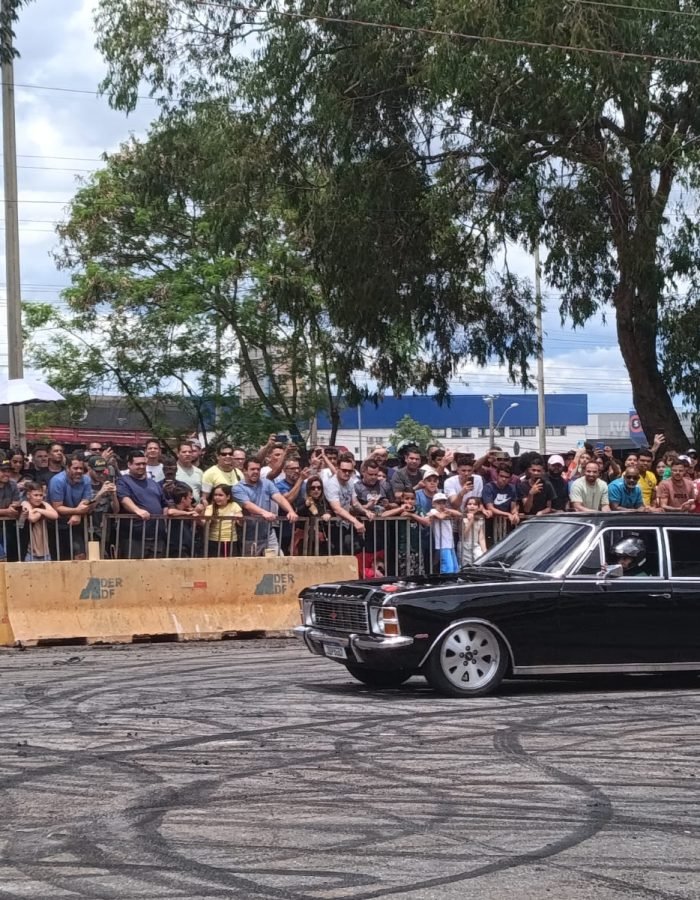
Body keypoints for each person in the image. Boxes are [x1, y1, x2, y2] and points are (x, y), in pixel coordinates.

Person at [232, 458, 298, 556]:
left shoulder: (267, 483)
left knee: (278, 560)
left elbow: (279, 497)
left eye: (258, 469)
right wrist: (264, 513)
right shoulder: (238, 488)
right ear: (245, 471)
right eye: (252, 469)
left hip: (268, 534)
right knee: (251, 564)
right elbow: (247, 505)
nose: (256, 472)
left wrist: (291, 511)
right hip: (249, 536)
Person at [116, 451, 174, 558]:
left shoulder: (153, 483)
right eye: (138, 464)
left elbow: (164, 503)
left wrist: (164, 519)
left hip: (157, 537)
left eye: (143, 464)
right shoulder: (123, 481)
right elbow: (124, 499)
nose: (141, 466)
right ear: (129, 465)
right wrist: (137, 510)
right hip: (134, 538)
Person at [47, 453, 94, 560]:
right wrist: (77, 511)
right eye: (75, 468)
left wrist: (77, 514)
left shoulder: (86, 480)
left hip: (76, 523)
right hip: (56, 525)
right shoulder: (57, 481)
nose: (79, 471)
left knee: (80, 555)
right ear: (67, 468)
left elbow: (86, 501)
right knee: (60, 559)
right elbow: (58, 507)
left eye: (81, 468)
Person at [21, 481, 58, 562]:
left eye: (41, 495)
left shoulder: (44, 504)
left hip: (45, 551)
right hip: (30, 551)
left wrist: (38, 510)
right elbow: (32, 518)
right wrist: (44, 512)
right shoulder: (25, 503)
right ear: (28, 495)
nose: (39, 498)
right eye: (35, 495)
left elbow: (55, 515)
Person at [425, 492, 462, 574]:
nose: (441, 505)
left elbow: (459, 514)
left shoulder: (446, 511)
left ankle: (453, 580)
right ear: (433, 504)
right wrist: (446, 513)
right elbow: (440, 517)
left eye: (443, 503)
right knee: (448, 567)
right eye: (439, 503)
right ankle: (446, 581)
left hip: (450, 543)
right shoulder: (433, 511)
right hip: (442, 544)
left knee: (455, 567)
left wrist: (447, 510)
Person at [204, 484, 242, 557]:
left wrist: (239, 518)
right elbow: (207, 522)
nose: (217, 497)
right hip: (214, 540)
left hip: (230, 540)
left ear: (228, 497)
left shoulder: (234, 505)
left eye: (220, 495)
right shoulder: (210, 507)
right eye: (215, 495)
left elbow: (240, 522)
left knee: (230, 562)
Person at [460, 497, 487, 567]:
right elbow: (463, 535)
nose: (472, 506)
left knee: (481, 561)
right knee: (466, 566)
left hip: (475, 545)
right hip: (464, 545)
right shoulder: (462, 518)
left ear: (478, 507)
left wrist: (485, 551)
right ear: (466, 506)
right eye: (469, 504)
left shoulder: (480, 519)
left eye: (475, 504)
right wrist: (471, 521)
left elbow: (481, 538)